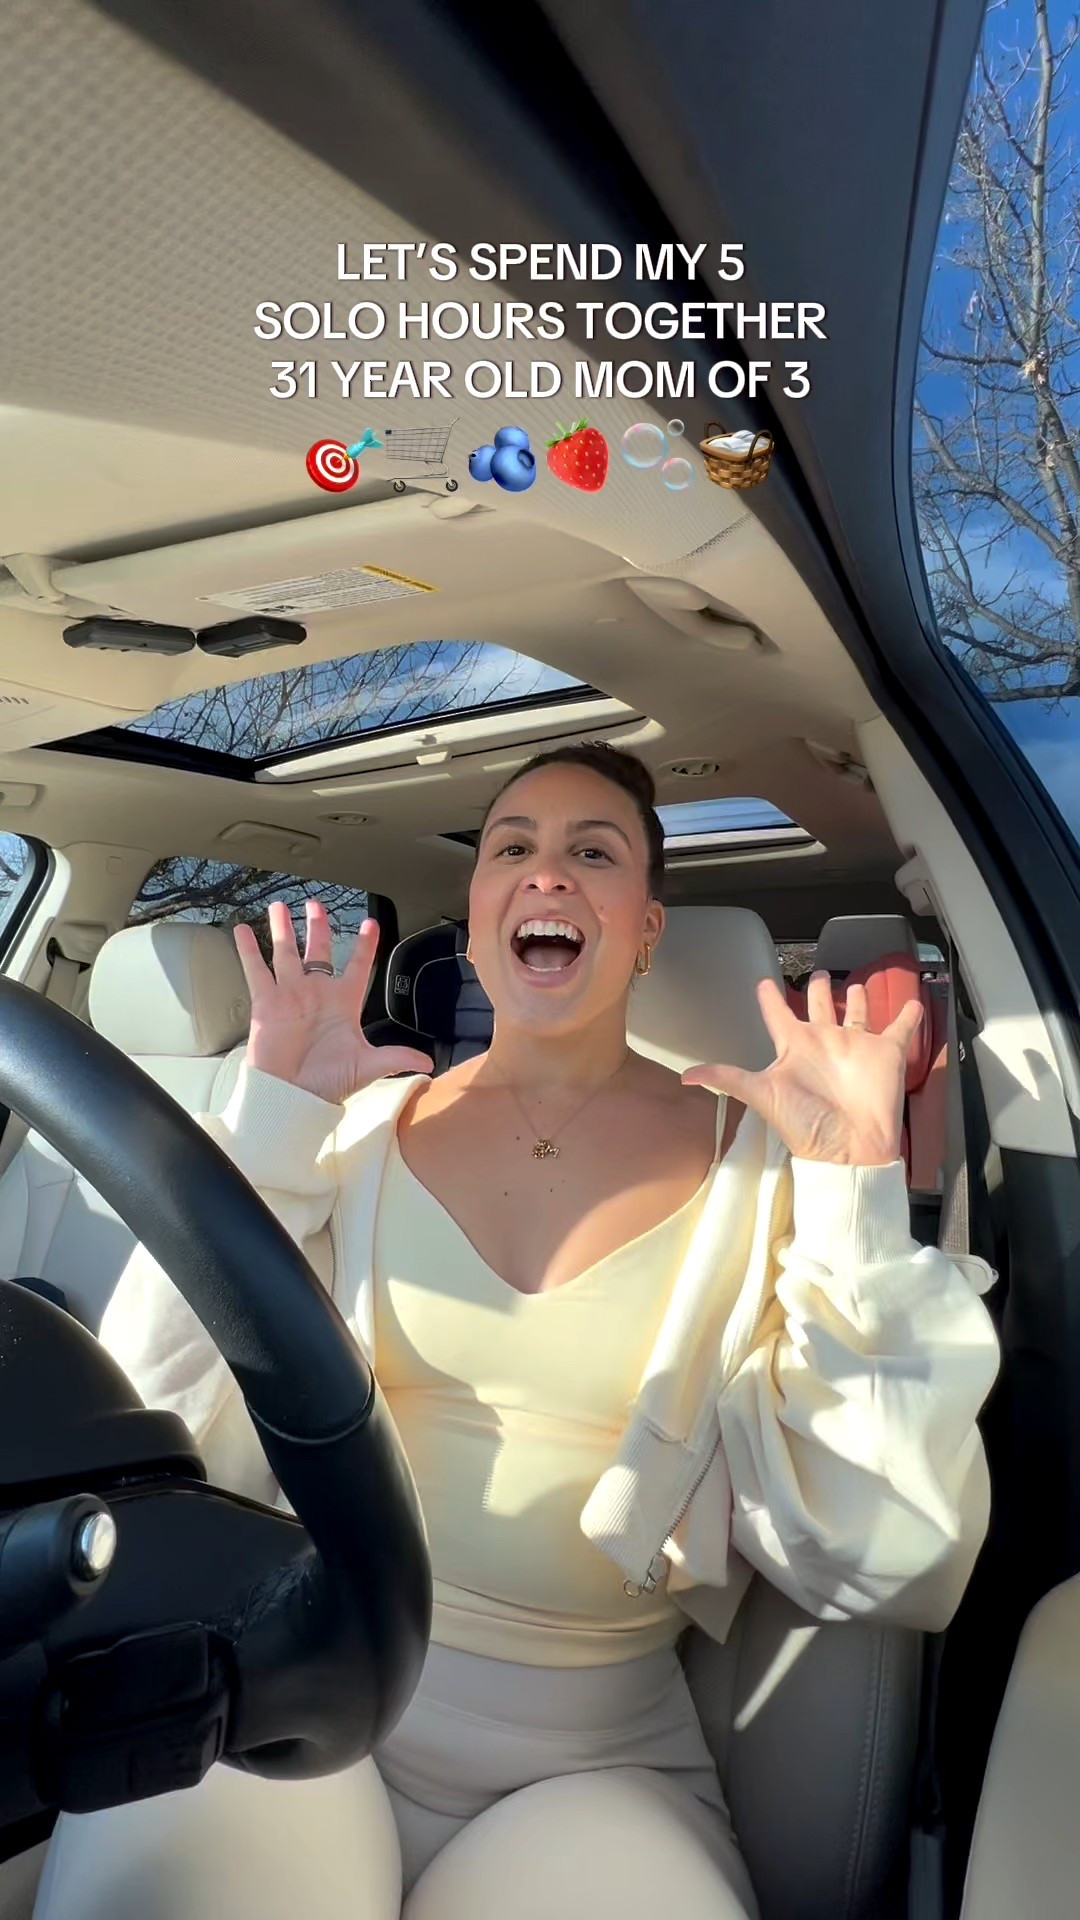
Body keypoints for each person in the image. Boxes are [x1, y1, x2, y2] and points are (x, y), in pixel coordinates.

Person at [35, 743, 1000, 1920]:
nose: (548, 874)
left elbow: (887, 1547)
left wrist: (852, 1185)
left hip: (596, 1765)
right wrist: (274, 1120)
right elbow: (166, 1416)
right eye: (512, 849)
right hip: (311, 1671)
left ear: (645, 931)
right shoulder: (356, 1128)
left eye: (593, 851)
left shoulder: (768, 1173)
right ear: (481, 916)